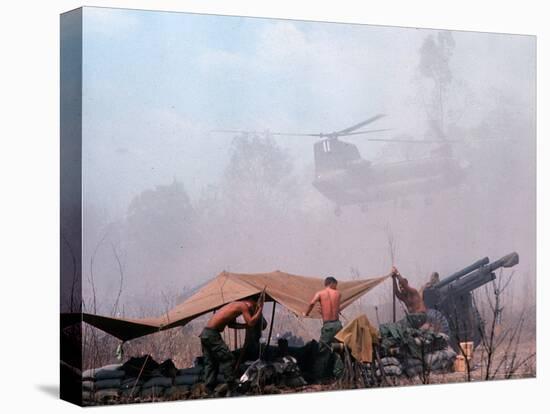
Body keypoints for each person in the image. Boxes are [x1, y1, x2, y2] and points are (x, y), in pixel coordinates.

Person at [200, 296, 264, 391]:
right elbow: (251, 322)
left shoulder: (234, 305)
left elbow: (231, 325)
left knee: (211, 362)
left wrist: (244, 326)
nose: (250, 309)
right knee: (228, 358)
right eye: (253, 306)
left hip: (205, 333)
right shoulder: (243, 306)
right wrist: (260, 309)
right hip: (212, 334)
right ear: (250, 301)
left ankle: (208, 388)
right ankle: (231, 384)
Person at [304, 276, 344, 379]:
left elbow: (312, 303)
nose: (336, 287)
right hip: (338, 325)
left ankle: (318, 377)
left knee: (322, 351)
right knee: (339, 350)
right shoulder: (338, 294)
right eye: (336, 285)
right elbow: (335, 308)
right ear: (332, 283)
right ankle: (338, 375)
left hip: (328, 326)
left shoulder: (320, 293)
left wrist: (306, 313)